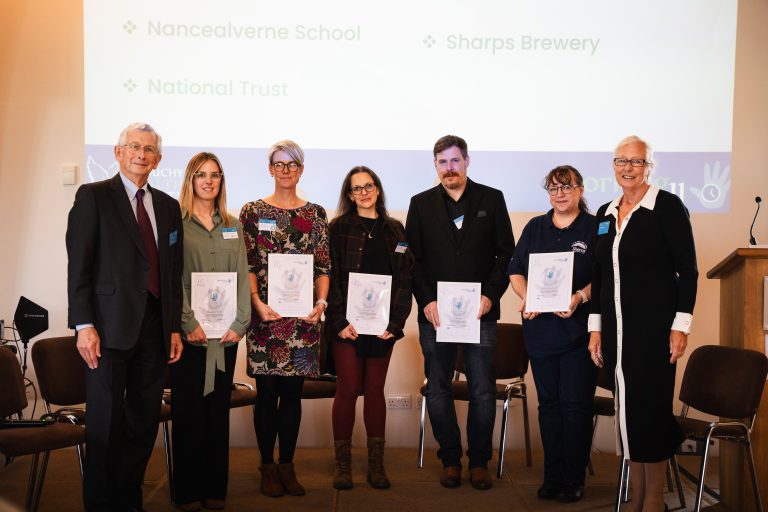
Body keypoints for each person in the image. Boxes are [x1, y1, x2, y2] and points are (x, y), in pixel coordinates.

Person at [66, 122, 184, 511]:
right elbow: (78, 267)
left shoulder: (167, 206)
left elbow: (171, 273)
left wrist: (172, 328)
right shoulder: (93, 197)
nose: (141, 154)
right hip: (106, 329)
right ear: (118, 153)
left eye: (149, 149)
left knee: (143, 420)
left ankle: (128, 498)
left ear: (158, 159)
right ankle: (101, 504)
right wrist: (84, 326)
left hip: (154, 329)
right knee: (104, 423)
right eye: (133, 146)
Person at [588, 136, 698, 512]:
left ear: (650, 167)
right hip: (616, 333)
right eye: (621, 160)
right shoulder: (604, 213)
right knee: (627, 415)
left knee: (649, 412)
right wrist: (595, 329)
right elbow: (599, 276)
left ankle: (653, 498)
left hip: (654, 332)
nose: (628, 167)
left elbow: (689, 271)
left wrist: (680, 326)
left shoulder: (666, 206)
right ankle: (635, 496)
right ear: (614, 166)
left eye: (636, 161)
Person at [405, 135, 515, 490]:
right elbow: (412, 259)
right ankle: (450, 459)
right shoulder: (420, 204)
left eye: (455, 161)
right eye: (442, 162)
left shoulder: (492, 199)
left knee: (483, 390)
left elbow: (505, 254)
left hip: (480, 313)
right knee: (437, 389)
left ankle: (479, 461)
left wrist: (491, 295)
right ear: (435, 166)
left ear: (467, 161)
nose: (449, 169)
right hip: (435, 315)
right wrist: (426, 300)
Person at [240, 140, 330, 498]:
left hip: (302, 320)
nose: (286, 170)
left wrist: (321, 302)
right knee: (267, 393)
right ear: (270, 169)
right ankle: (267, 465)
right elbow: (246, 264)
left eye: (293, 164)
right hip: (265, 317)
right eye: (279, 164)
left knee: (293, 394)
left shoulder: (316, 214)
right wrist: (256, 302)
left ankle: (287, 466)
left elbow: (323, 265)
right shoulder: (251, 211)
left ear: (301, 170)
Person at [508, 165, 597, 503]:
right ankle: (552, 475)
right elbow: (515, 269)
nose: (560, 194)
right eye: (553, 188)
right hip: (541, 332)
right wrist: (526, 295)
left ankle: (573, 478)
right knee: (550, 406)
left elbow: (603, 276)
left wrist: (579, 297)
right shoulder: (535, 227)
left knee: (575, 406)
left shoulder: (595, 227)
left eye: (567, 187)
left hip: (579, 332)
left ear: (580, 189)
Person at [170, 153, 251, 511]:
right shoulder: (175, 224)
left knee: (217, 411)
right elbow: (173, 278)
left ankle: (215, 489)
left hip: (226, 336)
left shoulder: (232, 224)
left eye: (215, 175)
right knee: (188, 413)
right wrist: (188, 322)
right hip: (190, 336)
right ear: (190, 179)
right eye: (201, 175)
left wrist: (240, 323)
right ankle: (187, 491)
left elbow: (243, 276)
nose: (208, 181)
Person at [326, 166, 414, 490]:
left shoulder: (395, 230)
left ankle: (376, 465)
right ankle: (343, 465)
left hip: (382, 328)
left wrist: (396, 324)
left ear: (377, 189)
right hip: (346, 327)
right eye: (356, 188)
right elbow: (328, 277)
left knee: (375, 391)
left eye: (369, 186)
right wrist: (338, 322)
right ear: (349, 195)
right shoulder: (337, 229)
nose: (363, 192)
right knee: (347, 390)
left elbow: (406, 278)